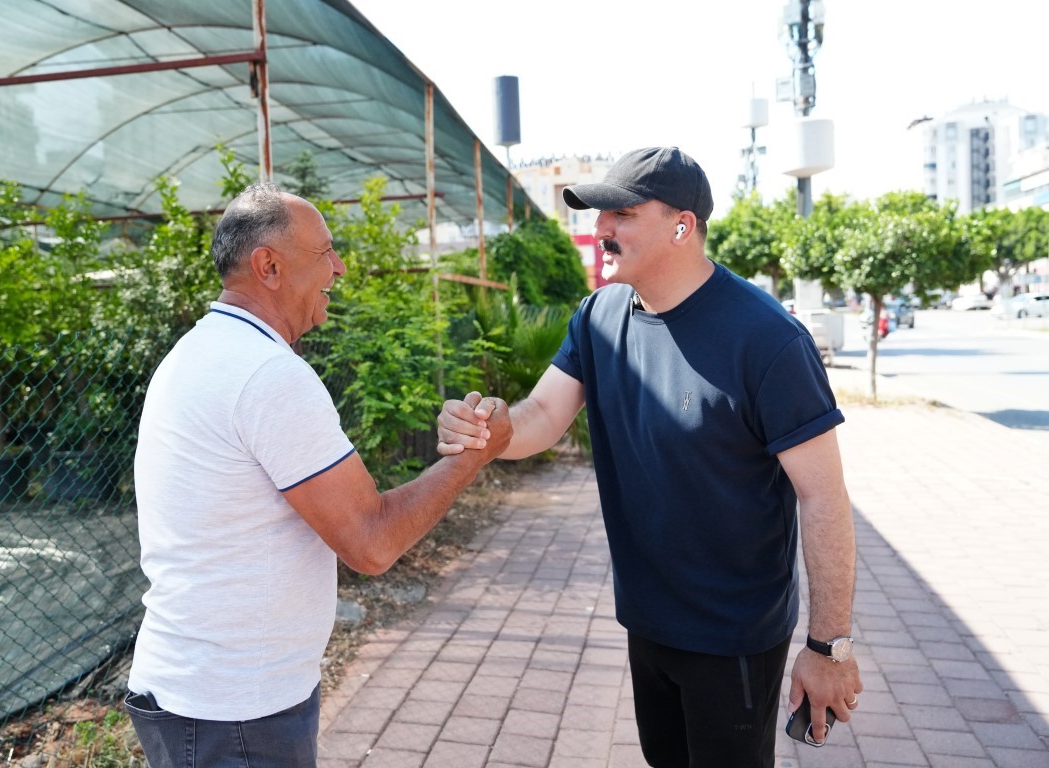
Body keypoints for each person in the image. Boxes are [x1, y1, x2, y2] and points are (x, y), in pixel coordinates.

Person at [437, 147, 862, 767]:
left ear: (682, 226)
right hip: (647, 622)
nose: (600, 228)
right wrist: (492, 431)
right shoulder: (600, 315)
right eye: (600, 214)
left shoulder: (768, 339)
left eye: (622, 214)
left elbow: (823, 496)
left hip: (733, 637)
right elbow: (544, 415)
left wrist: (828, 647)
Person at [126, 181, 510, 767]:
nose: (341, 267)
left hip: (201, 694)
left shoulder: (199, 352)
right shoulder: (265, 373)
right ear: (269, 266)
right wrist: (472, 456)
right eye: (325, 251)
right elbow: (372, 542)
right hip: (237, 712)